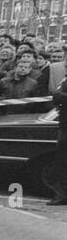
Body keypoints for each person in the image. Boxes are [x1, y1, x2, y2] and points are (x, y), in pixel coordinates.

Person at [50, 75, 67, 206]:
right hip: (64, 124)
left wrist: (59, 95)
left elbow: (58, 95)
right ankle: (62, 194)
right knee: (62, 161)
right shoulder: (65, 80)